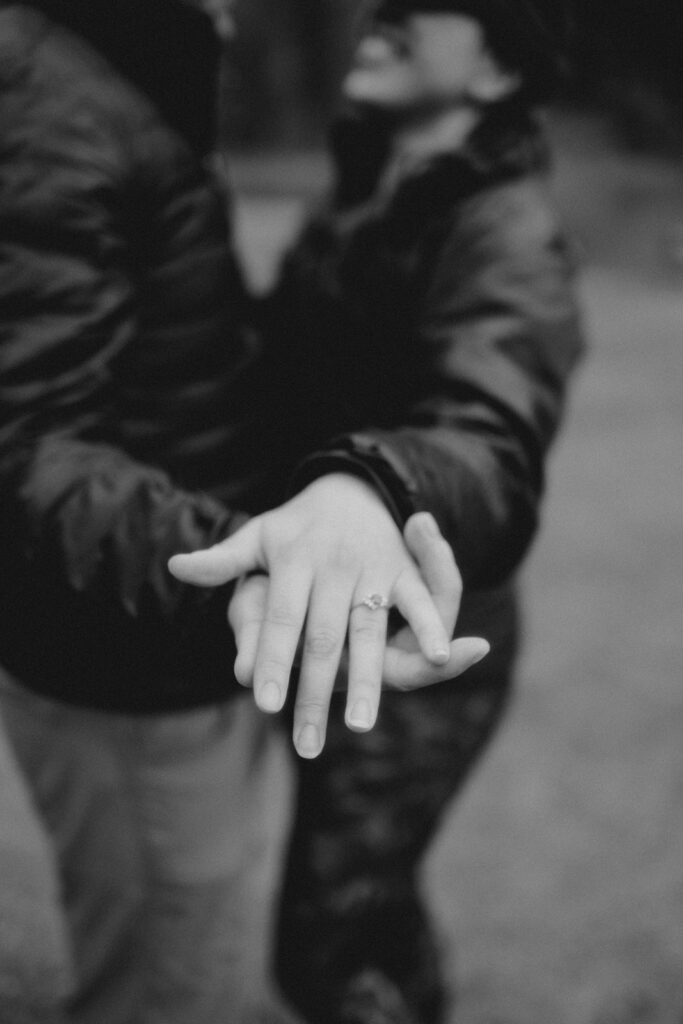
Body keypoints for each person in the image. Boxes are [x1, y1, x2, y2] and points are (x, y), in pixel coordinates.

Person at [0, 1, 484, 1022]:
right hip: (127, 661)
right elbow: (23, 440)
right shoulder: (49, 102)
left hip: (163, 628)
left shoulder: (127, 57)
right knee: (164, 989)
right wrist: (240, 559)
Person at [171, 1, 585, 1022]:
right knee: (368, 906)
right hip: (322, 601)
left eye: (429, 6)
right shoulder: (367, 184)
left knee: (324, 945)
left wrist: (373, 484)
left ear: (494, 74)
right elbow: (285, 365)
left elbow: (490, 425)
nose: (385, 14)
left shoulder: (506, 231)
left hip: (417, 647)